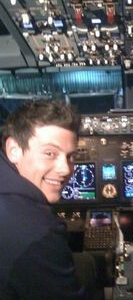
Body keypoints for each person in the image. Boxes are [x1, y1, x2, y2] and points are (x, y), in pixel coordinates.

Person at [0, 100, 100, 300]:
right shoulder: (38, 233)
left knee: (85, 262)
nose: (65, 169)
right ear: (14, 149)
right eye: (49, 153)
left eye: (70, 156)